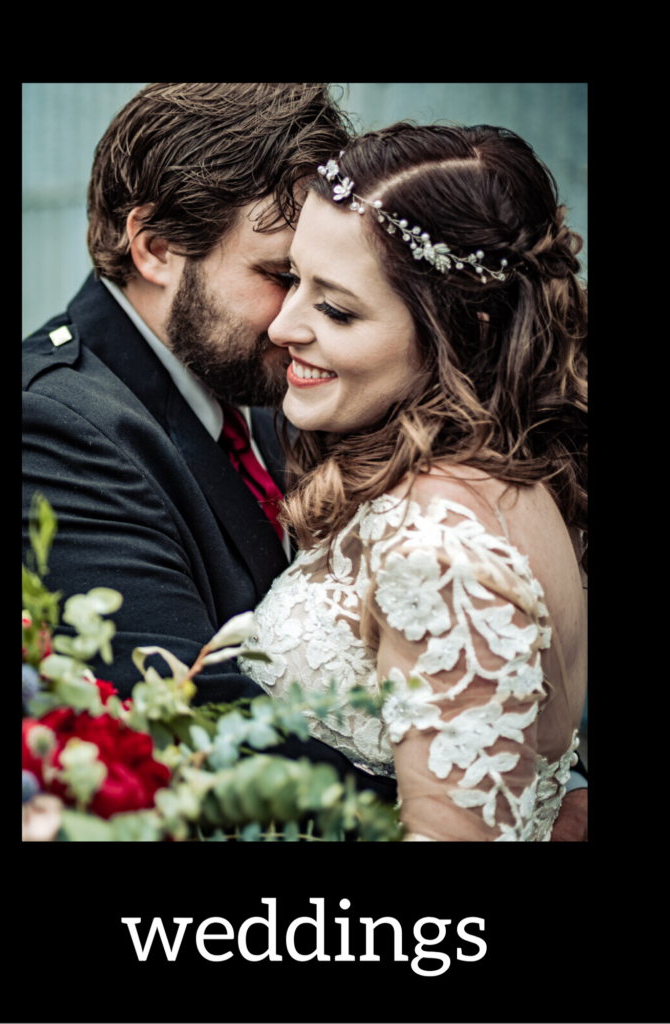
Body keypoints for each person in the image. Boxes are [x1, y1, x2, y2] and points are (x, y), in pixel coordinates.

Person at [22, 83, 587, 835]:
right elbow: (189, 744)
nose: (291, 321)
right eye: (281, 276)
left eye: (328, 294)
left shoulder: (292, 383)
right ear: (154, 247)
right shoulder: (57, 425)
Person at [237, 123, 588, 840]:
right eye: (291, 280)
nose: (283, 326)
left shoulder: (436, 545)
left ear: (467, 331)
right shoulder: (493, 479)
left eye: (336, 309)